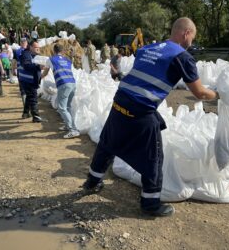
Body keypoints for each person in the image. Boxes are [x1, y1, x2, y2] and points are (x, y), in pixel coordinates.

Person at [82, 17, 218, 217]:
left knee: (108, 142)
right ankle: (150, 203)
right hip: (141, 109)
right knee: (154, 157)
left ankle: (92, 181)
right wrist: (219, 94)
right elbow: (199, 93)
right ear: (186, 33)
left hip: (120, 101)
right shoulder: (182, 57)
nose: (191, 42)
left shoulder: (147, 49)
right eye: (192, 38)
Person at [41, 43, 80, 139]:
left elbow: (45, 72)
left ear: (54, 51)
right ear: (62, 51)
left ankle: (73, 130)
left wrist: (39, 78)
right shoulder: (67, 60)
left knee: (61, 107)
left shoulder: (51, 59)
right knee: (67, 106)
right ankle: (68, 126)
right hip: (73, 83)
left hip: (63, 84)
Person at [19, 40, 43, 122]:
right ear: (30, 47)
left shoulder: (34, 54)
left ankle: (25, 113)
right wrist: (38, 66)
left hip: (31, 80)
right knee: (33, 97)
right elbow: (26, 66)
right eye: (36, 47)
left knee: (29, 97)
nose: (38, 49)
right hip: (28, 80)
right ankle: (36, 116)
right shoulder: (26, 54)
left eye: (38, 48)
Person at [14, 38, 29, 116]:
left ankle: (25, 107)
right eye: (24, 42)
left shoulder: (17, 51)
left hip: (21, 73)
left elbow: (14, 61)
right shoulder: (28, 51)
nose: (24, 43)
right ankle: (27, 108)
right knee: (27, 91)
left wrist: (14, 69)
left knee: (23, 91)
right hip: (27, 74)